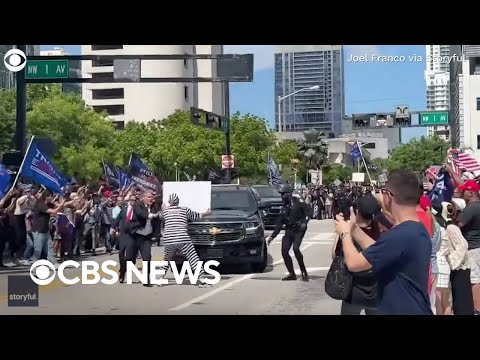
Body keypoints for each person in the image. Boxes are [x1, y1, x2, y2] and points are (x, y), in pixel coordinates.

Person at [334, 170, 433, 315]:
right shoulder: (414, 229)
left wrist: (344, 233)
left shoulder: (401, 235)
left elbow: (354, 264)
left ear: (388, 195)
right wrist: (354, 229)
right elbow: (379, 250)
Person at [332, 196, 382, 315]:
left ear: (357, 212)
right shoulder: (379, 230)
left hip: (353, 290)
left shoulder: (348, 231)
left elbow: (335, 255)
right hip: (376, 290)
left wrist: (339, 232)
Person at [158, 193, 211, 287]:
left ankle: (160, 278)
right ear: (178, 201)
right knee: (193, 258)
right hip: (183, 238)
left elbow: (160, 217)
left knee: (167, 259)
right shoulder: (184, 210)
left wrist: (163, 208)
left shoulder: (165, 211)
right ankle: (202, 279)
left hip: (169, 239)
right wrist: (206, 213)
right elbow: (196, 216)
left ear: (169, 202)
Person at [266, 183, 311, 281]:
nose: (282, 196)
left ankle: (303, 271)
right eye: (281, 194)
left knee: (296, 248)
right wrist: (272, 236)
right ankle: (292, 273)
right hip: (289, 230)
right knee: (284, 251)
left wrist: (305, 222)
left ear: (288, 193)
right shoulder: (284, 207)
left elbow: (309, 211)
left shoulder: (298, 201)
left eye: (283, 194)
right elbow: (279, 223)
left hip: (299, 230)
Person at [456, 179, 480, 314]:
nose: (461, 193)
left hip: (472, 248)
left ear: (470, 193)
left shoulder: (470, 208)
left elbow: (458, 225)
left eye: (464, 191)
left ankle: (477, 309)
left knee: (475, 280)